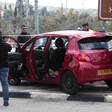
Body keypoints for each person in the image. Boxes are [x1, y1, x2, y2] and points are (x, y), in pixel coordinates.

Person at [0, 31, 12, 106]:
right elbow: (10, 48)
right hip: (4, 66)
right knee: (4, 84)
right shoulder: (4, 45)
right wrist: (3, 41)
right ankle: (6, 101)